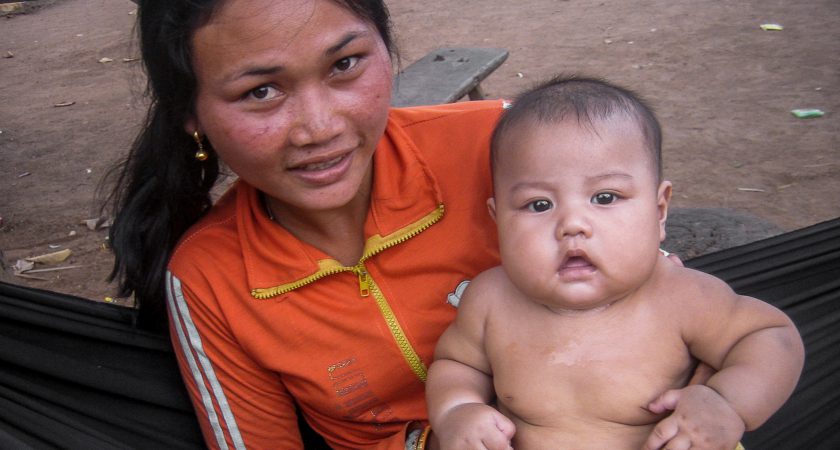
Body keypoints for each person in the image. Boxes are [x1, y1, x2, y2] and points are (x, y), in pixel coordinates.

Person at [105, 0, 752, 448]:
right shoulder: (214, 280)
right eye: (261, 92)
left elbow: (673, 315)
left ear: (386, 46)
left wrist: (700, 405)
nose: (320, 128)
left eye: (345, 64)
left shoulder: (510, 149)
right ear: (190, 115)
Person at [425, 76, 805, 450]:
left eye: (605, 197)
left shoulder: (681, 296)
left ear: (659, 211)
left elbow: (771, 337)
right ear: (499, 221)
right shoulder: (491, 299)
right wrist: (458, 409)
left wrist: (728, 404)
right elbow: (458, 365)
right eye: (539, 205)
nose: (572, 224)